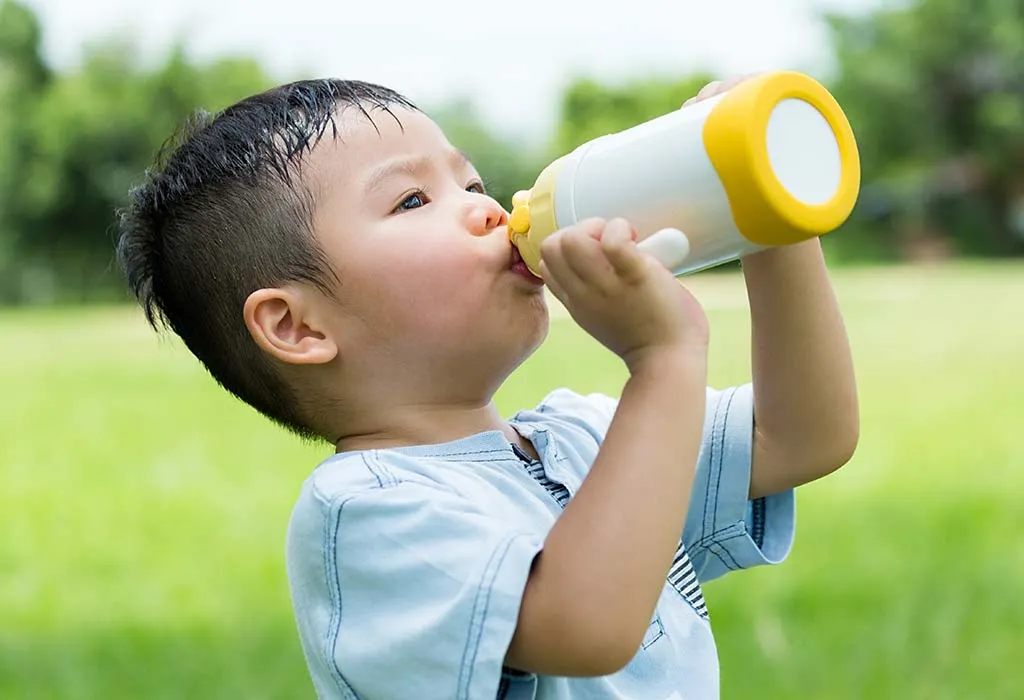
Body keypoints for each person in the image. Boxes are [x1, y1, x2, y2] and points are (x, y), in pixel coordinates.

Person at [117, 74, 859, 699]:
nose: (488, 209)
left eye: (470, 182)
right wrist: (663, 359)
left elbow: (802, 437)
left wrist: (768, 217)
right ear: (298, 326)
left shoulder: (580, 438)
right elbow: (586, 627)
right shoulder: (365, 513)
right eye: (413, 200)